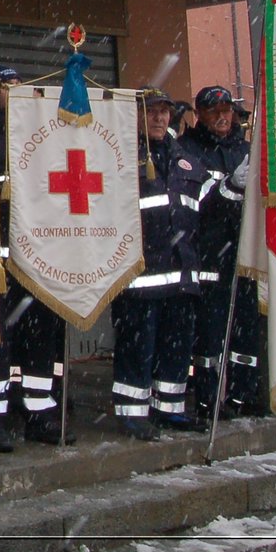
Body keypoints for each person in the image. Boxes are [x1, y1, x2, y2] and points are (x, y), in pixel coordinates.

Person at [0, 65, 71, 450]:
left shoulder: (39, 137)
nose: (12, 94)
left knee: (40, 341)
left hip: (37, 260)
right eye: (4, 88)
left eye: (17, 87)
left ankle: (40, 415)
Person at [109, 88, 204, 440]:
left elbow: (201, 211)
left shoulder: (185, 158)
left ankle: (170, 408)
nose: (160, 118)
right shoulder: (121, 155)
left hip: (181, 274)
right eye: (153, 112)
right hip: (141, 278)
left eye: (165, 112)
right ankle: (133, 413)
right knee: (138, 348)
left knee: (176, 347)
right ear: (136, 116)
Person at [185, 85, 263, 421]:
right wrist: (229, 186)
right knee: (209, 339)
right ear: (199, 113)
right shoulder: (186, 150)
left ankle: (242, 396)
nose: (222, 116)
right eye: (213, 110)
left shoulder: (247, 150)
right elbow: (194, 204)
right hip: (209, 258)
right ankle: (207, 400)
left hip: (245, 260)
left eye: (226, 109)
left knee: (246, 335)